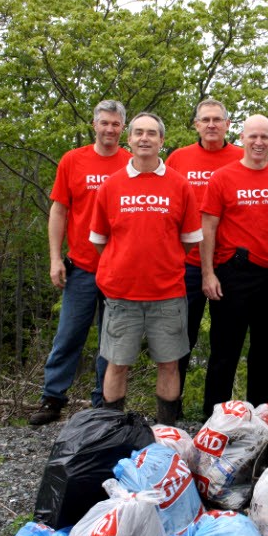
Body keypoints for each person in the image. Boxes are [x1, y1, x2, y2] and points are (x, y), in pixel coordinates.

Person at [88, 112, 202, 426]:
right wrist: (125, 261)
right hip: (121, 295)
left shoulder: (180, 185)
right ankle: (111, 431)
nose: (144, 139)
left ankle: (166, 431)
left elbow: (190, 241)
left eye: (152, 133)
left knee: (169, 365)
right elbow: (99, 240)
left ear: (162, 141)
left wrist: (160, 259)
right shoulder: (111, 186)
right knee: (116, 364)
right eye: (138, 132)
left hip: (167, 295)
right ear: (130, 139)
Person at [30, 100, 132, 426]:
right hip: (82, 267)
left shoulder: (131, 164)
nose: (110, 129)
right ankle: (52, 399)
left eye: (116, 124)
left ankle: (104, 403)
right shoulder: (73, 161)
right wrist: (54, 258)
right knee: (69, 335)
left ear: (123, 129)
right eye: (104, 123)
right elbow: (58, 211)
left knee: (111, 340)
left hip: (119, 269)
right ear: (94, 125)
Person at [200, 114, 268, 418]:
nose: (258, 142)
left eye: (265, 137)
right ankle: (213, 420)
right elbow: (208, 227)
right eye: (253, 136)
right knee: (224, 353)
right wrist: (208, 273)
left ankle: (260, 419)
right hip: (231, 272)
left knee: (266, 354)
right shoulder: (222, 177)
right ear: (242, 138)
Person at [165, 99, 243, 412]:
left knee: (224, 346)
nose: (211, 125)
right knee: (179, 339)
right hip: (186, 264)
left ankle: (215, 412)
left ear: (227, 124)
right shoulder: (178, 158)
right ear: (196, 125)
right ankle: (172, 407)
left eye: (217, 120)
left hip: (229, 264)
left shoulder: (241, 157)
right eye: (205, 120)